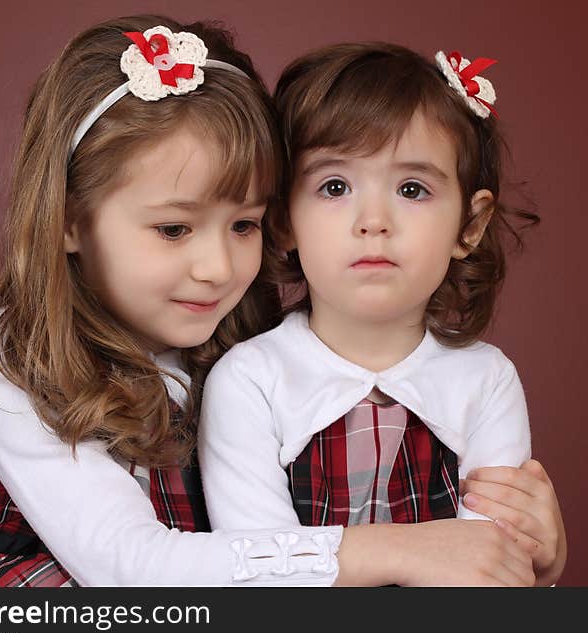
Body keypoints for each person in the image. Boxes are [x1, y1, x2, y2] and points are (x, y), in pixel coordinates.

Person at [0, 16, 544, 587]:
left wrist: (532, 555)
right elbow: (128, 567)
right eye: (173, 229)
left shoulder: (247, 346)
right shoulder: (15, 364)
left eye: (245, 225)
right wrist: (403, 551)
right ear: (68, 219)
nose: (219, 268)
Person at [199, 42, 567, 586]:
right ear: (282, 223)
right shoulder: (250, 381)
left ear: (470, 225)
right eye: (334, 187)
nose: (373, 220)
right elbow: (261, 574)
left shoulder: (485, 381)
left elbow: (490, 569)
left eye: (412, 189)